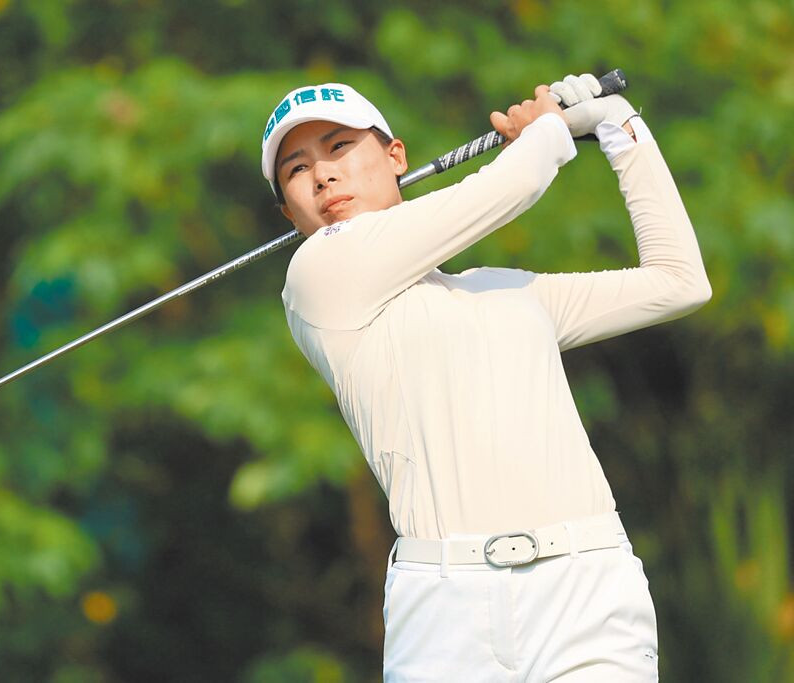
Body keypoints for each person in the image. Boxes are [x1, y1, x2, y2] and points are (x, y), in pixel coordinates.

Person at [259, 74, 711, 681]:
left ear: (396, 157)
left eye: (339, 147)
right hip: (443, 610)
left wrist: (618, 125)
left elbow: (678, 282)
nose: (322, 175)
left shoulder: (505, 291)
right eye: (297, 169)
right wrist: (548, 129)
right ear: (289, 213)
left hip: (585, 587)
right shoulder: (317, 276)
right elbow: (517, 181)